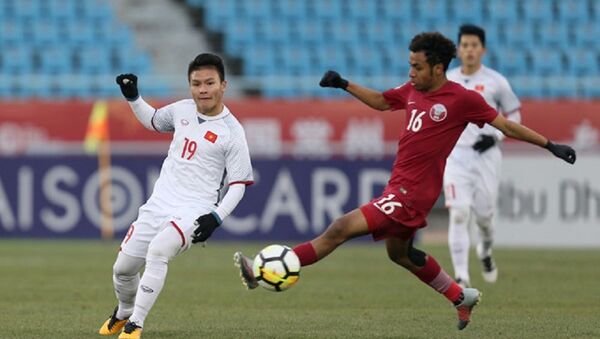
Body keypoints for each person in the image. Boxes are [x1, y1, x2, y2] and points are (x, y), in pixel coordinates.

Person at [234, 32, 576, 331]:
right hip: (398, 185)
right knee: (399, 253)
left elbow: (506, 125)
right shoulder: (413, 89)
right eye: (410, 65)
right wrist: (344, 84)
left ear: (438, 68)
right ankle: (461, 296)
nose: (411, 73)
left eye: (417, 67)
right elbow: (383, 102)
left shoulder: (462, 100)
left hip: (413, 193)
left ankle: (264, 271)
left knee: (340, 228)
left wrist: (550, 145)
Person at [98, 53, 254, 339]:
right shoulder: (181, 110)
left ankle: (136, 324)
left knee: (158, 251)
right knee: (123, 269)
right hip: (158, 204)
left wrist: (216, 217)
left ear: (224, 85)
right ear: (190, 86)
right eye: (196, 84)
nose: (203, 89)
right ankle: (123, 312)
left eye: (209, 83)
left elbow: (239, 184)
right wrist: (134, 98)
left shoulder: (233, 132)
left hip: (194, 210)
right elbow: (153, 121)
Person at [443, 24, 522, 288]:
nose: (469, 50)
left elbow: (515, 115)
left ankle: (486, 252)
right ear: (458, 49)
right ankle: (462, 278)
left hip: (486, 157)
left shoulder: (496, 82)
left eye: (474, 45)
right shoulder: (447, 79)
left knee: (484, 220)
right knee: (458, 213)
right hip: (455, 156)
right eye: (464, 45)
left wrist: (496, 136)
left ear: (483, 49)